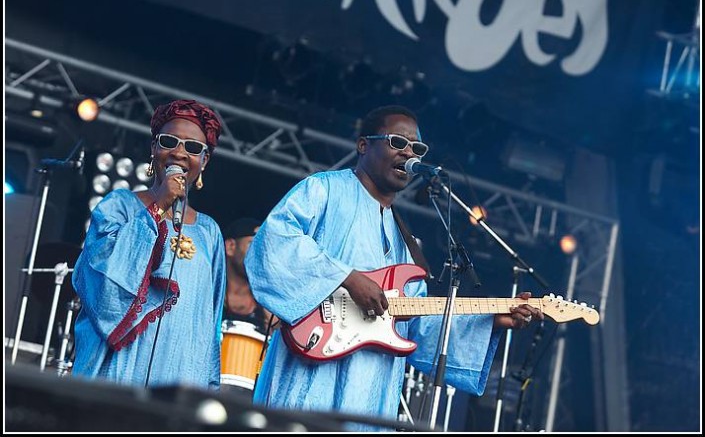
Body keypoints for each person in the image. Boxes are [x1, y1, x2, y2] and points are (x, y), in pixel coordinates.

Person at [244, 105, 544, 429]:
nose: (408, 153)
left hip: (370, 390)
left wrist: (492, 322)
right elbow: (274, 242)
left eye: (416, 148)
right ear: (364, 145)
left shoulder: (407, 243)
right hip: (310, 369)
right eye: (396, 142)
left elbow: (418, 329)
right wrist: (347, 278)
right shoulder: (323, 189)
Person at [72, 99, 226, 390]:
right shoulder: (119, 206)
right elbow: (100, 287)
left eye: (193, 147)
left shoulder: (209, 232)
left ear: (204, 161)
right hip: (119, 370)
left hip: (181, 373)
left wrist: (208, 387)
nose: (180, 152)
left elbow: (210, 322)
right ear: (154, 148)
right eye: (169, 141)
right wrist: (158, 207)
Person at [221, 217, 277, 334]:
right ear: (230, 247)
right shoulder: (211, 295)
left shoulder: (268, 305)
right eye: (253, 245)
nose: (260, 254)